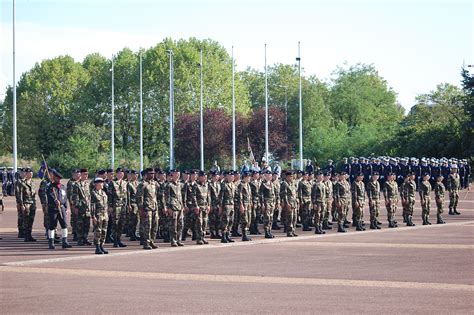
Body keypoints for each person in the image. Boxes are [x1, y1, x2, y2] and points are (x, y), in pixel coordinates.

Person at [46, 169, 72, 249]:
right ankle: (51, 242)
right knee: (52, 225)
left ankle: (65, 241)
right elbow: (49, 196)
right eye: (57, 178)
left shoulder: (62, 187)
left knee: (64, 225)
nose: (59, 180)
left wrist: (66, 207)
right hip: (53, 209)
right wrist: (55, 200)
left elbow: (65, 198)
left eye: (60, 179)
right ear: (54, 178)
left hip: (62, 208)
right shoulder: (50, 186)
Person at [137, 168, 159, 249]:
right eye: (150, 173)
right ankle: (146, 243)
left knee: (155, 225)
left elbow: (155, 195)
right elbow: (139, 197)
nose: (152, 175)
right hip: (146, 208)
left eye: (153, 173)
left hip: (154, 207)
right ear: (146, 174)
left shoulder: (154, 184)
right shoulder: (142, 184)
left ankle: (152, 241)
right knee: (147, 227)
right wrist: (141, 209)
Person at [71, 169, 92, 246]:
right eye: (85, 174)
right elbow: (75, 197)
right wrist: (76, 207)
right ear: (81, 175)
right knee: (80, 224)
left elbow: (89, 196)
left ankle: (85, 238)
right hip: (80, 207)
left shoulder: (87, 184)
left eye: (87, 174)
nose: (86, 176)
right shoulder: (76, 184)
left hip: (87, 207)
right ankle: (79, 239)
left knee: (87, 224)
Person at [109, 167, 128, 248]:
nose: (121, 174)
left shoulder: (125, 183)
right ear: (116, 174)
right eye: (119, 173)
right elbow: (110, 195)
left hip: (123, 205)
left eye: (122, 173)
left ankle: (119, 239)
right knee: (115, 224)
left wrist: (128, 204)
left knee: (122, 224)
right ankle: (115, 241)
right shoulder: (112, 183)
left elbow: (127, 195)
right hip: (115, 206)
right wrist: (110, 206)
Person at [165, 169, 185, 247]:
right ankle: (173, 240)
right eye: (176, 174)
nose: (178, 176)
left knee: (180, 224)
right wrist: (168, 208)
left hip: (179, 207)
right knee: (173, 225)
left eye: (178, 174)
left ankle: (178, 240)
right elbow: (166, 197)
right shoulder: (169, 185)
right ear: (172, 175)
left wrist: (182, 206)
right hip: (173, 208)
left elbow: (181, 196)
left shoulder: (179, 185)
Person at [191, 171, 211, 245]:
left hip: (205, 207)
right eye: (203, 176)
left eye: (205, 176)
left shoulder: (206, 185)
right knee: (199, 223)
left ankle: (203, 237)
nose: (205, 178)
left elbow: (208, 196)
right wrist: (196, 206)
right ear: (199, 177)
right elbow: (193, 196)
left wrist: (209, 205)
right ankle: (199, 238)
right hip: (199, 207)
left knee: (205, 223)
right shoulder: (196, 185)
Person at [91, 177, 109, 254]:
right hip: (98, 214)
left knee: (104, 231)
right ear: (97, 184)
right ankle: (97, 247)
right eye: (101, 182)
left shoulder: (103, 192)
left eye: (103, 182)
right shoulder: (93, 193)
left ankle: (102, 245)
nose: (102, 184)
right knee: (98, 231)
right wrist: (93, 216)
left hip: (105, 214)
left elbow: (106, 204)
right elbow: (92, 205)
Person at [18, 167, 37, 242]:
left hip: (32, 204)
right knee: (26, 220)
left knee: (31, 220)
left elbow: (34, 194)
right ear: (26, 174)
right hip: (26, 203)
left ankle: (29, 235)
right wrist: (21, 204)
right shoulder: (22, 182)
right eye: (29, 173)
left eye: (32, 173)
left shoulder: (32, 182)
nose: (31, 174)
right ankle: (26, 236)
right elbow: (20, 194)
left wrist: (35, 203)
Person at [218, 171, 236, 243]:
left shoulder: (233, 185)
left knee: (231, 221)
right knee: (225, 221)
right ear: (226, 177)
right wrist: (220, 206)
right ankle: (223, 236)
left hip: (232, 205)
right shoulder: (223, 185)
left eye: (232, 176)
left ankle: (228, 235)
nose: (232, 177)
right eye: (230, 176)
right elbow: (221, 197)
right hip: (225, 205)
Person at [280, 171, 299, 237]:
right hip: (289, 203)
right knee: (290, 218)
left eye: (292, 176)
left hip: (294, 202)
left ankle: (293, 230)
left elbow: (295, 193)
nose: (291, 178)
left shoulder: (292, 184)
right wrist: (286, 203)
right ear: (287, 177)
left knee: (294, 217)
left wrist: (297, 201)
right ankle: (289, 231)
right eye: (290, 176)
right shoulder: (284, 184)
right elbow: (284, 194)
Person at [260, 170, 276, 239]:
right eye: (268, 175)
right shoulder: (263, 184)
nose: (269, 176)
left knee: (271, 218)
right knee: (267, 217)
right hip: (266, 203)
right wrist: (262, 204)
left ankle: (269, 230)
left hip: (272, 202)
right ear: (265, 176)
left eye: (270, 175)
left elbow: (274, 194)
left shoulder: (272, 184)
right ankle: (266, 232)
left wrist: (275, 202)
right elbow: (261, 195)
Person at [237, 171, 252, 241]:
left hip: (248, 204)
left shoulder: (248, 185)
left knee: (248, 219)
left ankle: (246, 234)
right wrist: (241, 205)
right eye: (248, 177)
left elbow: (250, 195)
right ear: (245, 177)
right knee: (244, 220)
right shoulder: (241, 185)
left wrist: (251, 202)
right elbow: (240, 196)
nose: (249, 178)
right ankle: (244, 235)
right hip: (244, 204)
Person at [67, 169, 80, 241]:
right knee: (75, 217)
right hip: (74, 203)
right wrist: (72, 204)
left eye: (78, 174)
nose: (77, 175)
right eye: (75, 174)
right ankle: (75, 233)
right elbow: (70, 194)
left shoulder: (80, 182)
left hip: (80, 204)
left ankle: (79, 233)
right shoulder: (71, 182)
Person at [126, 170, 139, 241]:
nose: (136, 176)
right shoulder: (129, 184)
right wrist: (128, 205)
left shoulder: (137, 183)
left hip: (137, 204)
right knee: (132, 220)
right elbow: (128, 195)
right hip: (132, 203)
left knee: (137, 220)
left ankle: (134, 233)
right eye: (134, 175)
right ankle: (131, 234)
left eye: (137, 175)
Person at [208, 171, 221, 239]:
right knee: (212, 219)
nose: (216, 177)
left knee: (218, 219)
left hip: (217, 204)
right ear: (212, 177)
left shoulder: (219, 184)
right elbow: (209, 195)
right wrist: (210, 205)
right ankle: (212, 233)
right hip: (212, 204)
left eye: (217, 176)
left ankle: (217, 232)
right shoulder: (210, 184)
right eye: (215, 176)